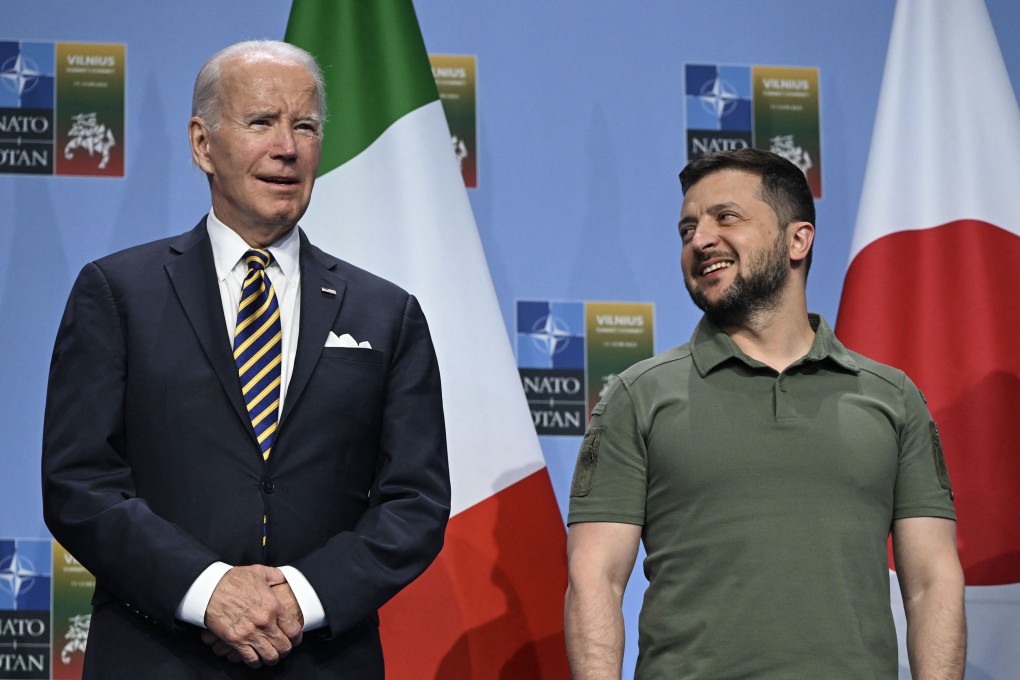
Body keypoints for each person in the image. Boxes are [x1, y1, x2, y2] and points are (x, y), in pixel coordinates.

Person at [41, 40, 450, 679]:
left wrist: (301, 598)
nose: (287, 148)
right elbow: (79, 483)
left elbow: (415, 501)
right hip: (158, 656)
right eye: (261, 122)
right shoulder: (118, 293)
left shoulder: (385, 313)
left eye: (305, 126)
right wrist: (207, 591)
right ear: (202, 144)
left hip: (320, 660)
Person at [564, 148, 965, 679]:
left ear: (798, 240)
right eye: (687, 229)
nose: (700, 240)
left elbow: (932, 583)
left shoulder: (893, 398)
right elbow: (596, 579)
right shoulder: (637, 396)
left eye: (725, 217)